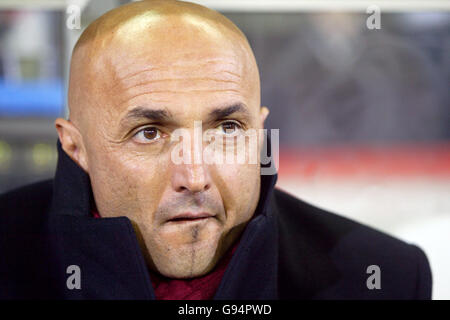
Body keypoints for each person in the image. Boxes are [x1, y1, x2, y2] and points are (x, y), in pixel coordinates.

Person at [0, 0, 431, 299]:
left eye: (227, 128)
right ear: (76, 147)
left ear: (260, 133)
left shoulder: (382, 276)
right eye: (149, 133)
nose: (194, 177)